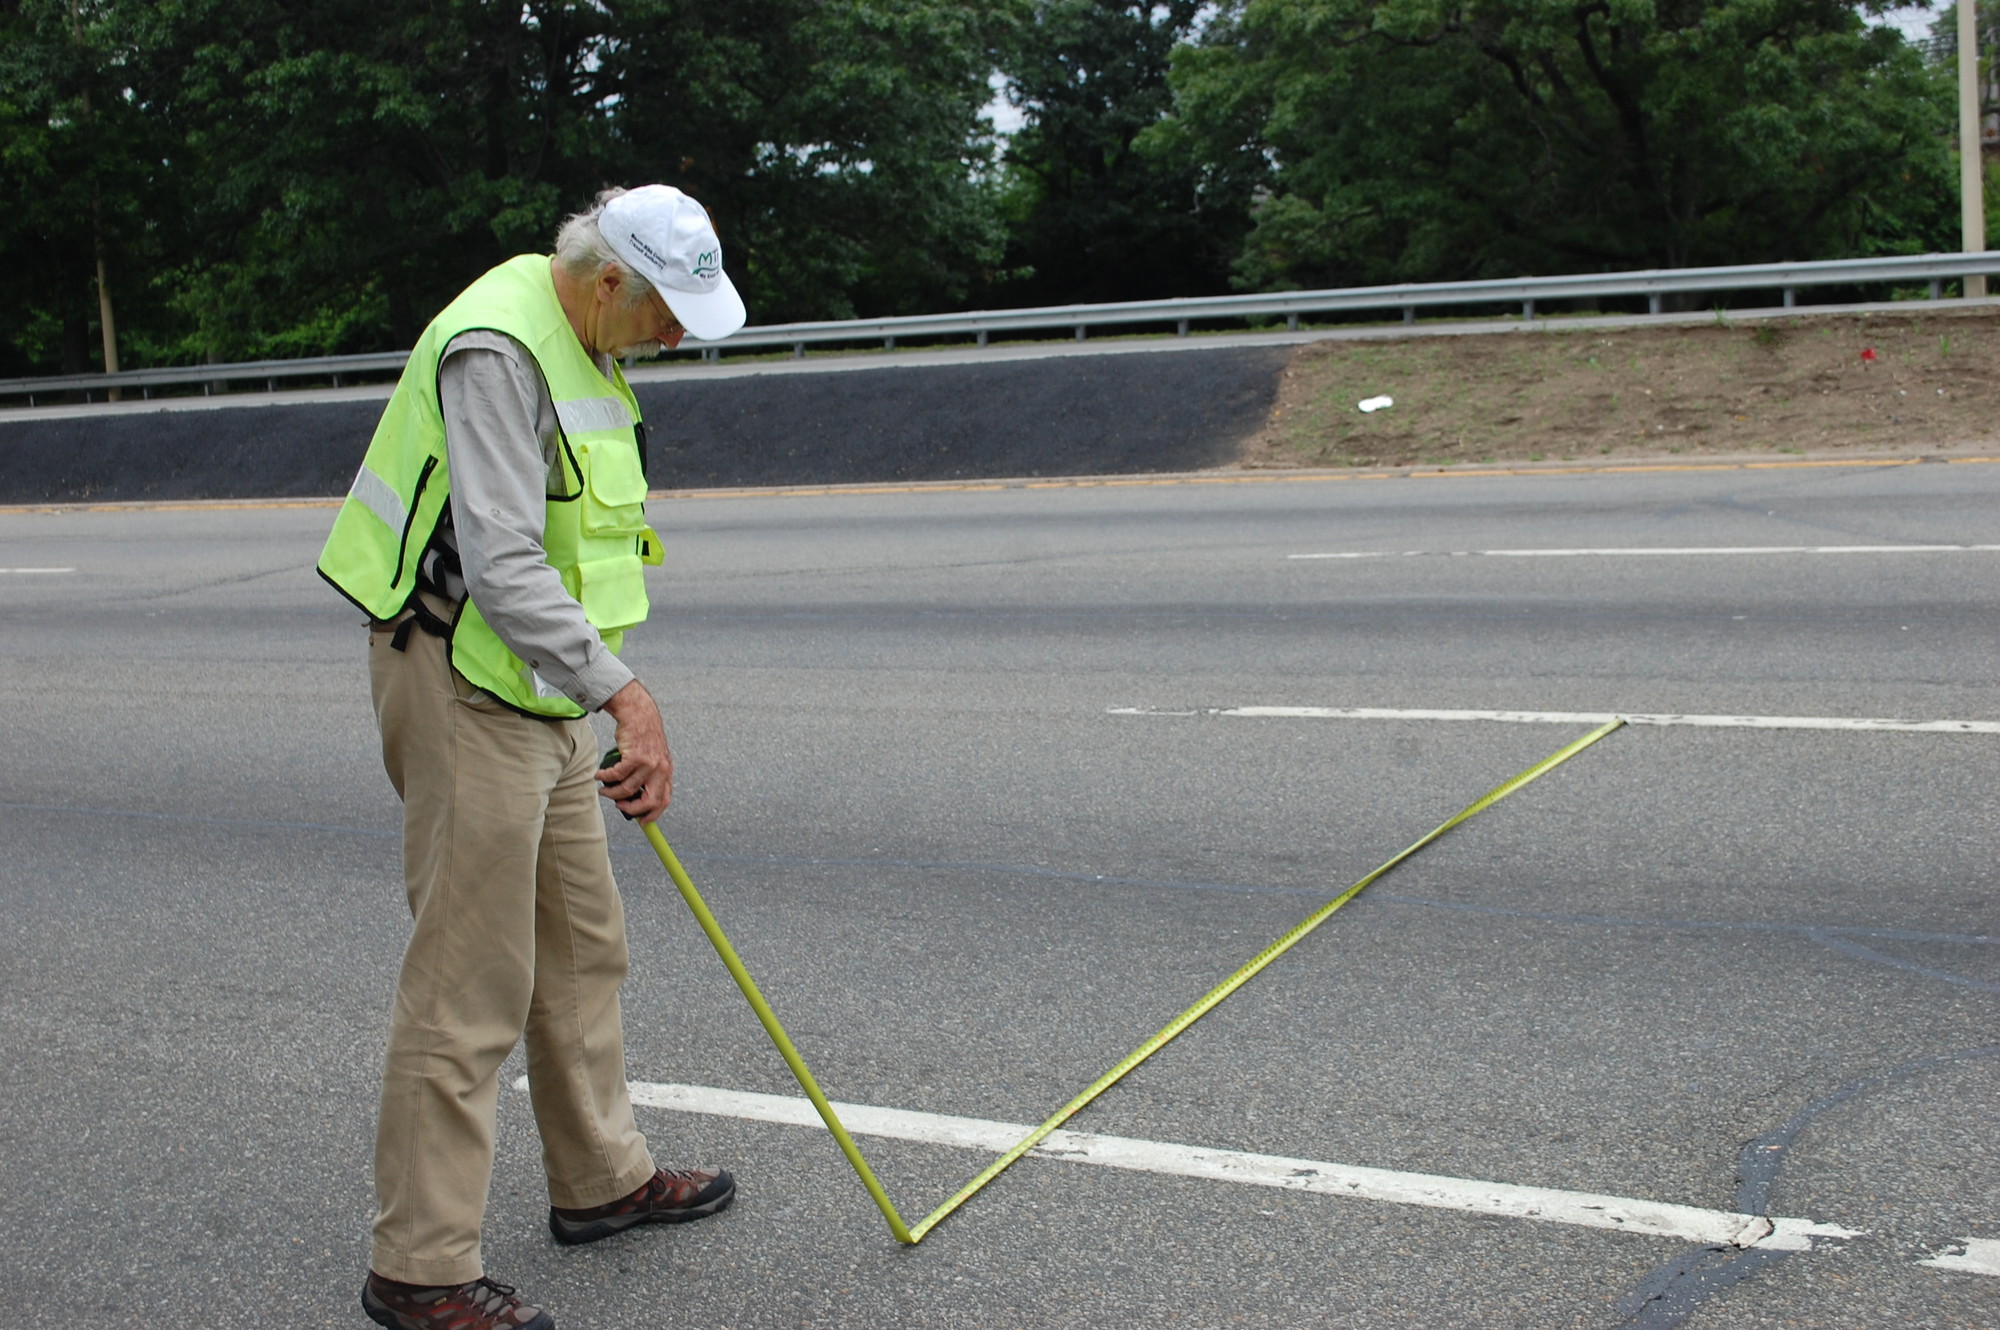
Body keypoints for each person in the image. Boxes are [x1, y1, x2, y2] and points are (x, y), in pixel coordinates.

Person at [316, 184, 747, 1330]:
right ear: (609, 279)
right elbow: (504, 566)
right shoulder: (498, 350)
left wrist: (592, 692)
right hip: (462, 677)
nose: (670, 340)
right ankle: (417, 1269)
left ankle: (601, 1177)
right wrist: (627, 694)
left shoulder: (592, 339)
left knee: (582, 949)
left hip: (538, 686)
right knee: (469, 986)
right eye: (665, 314)